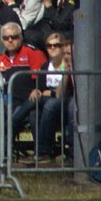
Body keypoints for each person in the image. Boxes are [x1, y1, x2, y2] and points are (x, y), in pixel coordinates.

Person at [0, 22, 48, 152]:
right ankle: (3, 152)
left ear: (21, 37)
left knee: (31, 112)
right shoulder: (0, 60)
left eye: (14, 37)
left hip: (29, 101)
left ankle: (41, 152)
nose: (10, 40)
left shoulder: (32, 53)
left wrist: (37, 89)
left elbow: (41, 79)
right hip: (7, 101)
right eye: (6, 38)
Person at [33, 33, 71, 163]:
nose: (52, 48)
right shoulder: (45, 66)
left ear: (63, 48)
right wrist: (39, 91)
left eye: (56, 45)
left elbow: (61, 94)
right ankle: (39, 151)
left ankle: (44, 151)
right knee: (33, 111)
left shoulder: (67, 65)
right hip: (46, 102)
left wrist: (65, 73)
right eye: (49, 45)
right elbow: (41, 89)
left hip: (63, 103)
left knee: (50, 104)